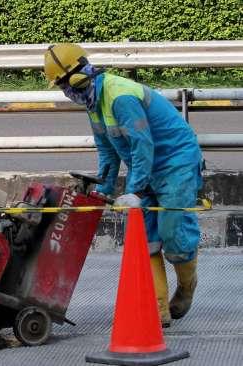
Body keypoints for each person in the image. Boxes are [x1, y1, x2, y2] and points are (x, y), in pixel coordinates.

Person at [43, 43, 203, 328]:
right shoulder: (93, 103)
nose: (65, 92)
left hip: (175, 162)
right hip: (146, 167)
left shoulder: (120, 96)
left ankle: (187, 288)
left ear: (77, 78)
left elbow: (143, 145)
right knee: (144, 238)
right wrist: (103, 187)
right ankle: (158, 311)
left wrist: (135, 190)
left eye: (63, 85)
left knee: (173, 232)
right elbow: (107, 151)